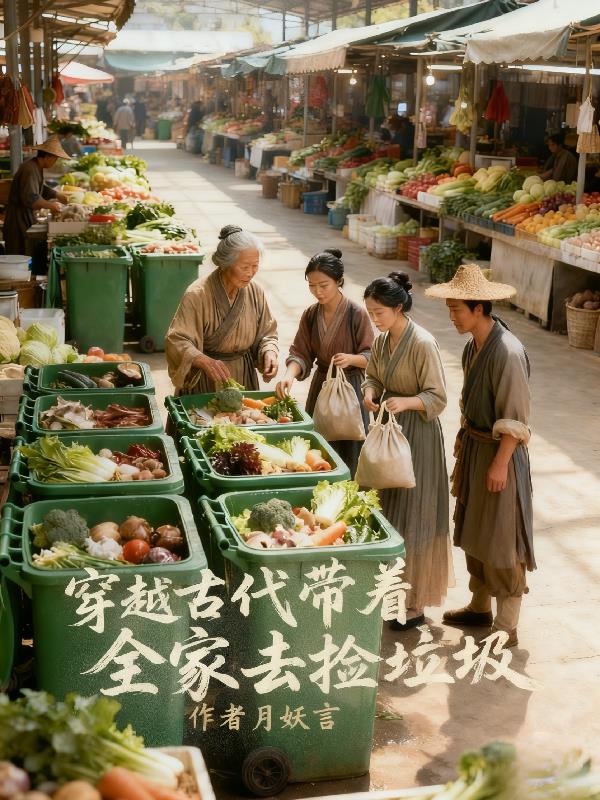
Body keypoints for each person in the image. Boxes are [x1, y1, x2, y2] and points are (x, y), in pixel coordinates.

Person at [425, 265, 535, 648]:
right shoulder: (475, 343)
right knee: (476, 528)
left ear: (479, 308)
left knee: (503, 537)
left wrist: (501, 462)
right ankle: (479, 606)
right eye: (450, 308)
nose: (451, 316)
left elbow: (516, 417)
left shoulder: (507, 352)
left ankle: (506, 626)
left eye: (456, 309)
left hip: (498, 455)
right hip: (476, 449)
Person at [362, 272, 453, 629]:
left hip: (418, 435)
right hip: (388, 429)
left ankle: (413, 603)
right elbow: (373, 375)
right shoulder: (383, 341)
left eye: (379, 312)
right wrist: (370, 393)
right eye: (370, 312)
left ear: (398, 308)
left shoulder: (424, 343)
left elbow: (438, 397)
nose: (374, 319)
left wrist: (407, 402)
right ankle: (390, 590)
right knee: (388, 508)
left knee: (416, 514)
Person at [275, 249, 374, 476]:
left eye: (324, 285)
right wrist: (289, 375)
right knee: (317, 453)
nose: (317, 292)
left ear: (339, 281)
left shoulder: (356, 314)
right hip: (321, 386)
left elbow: (372, 357)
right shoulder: (311, 314)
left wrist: (352, 359)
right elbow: (300, 352)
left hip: (351, 390)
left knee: (350, 453)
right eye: (312, 285)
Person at [165, 225, 278, 394]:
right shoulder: (197, 294)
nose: (251, 273)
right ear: (226, 264)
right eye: (245, 267)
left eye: (255, 266)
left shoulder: (255, 291)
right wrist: (202, 360)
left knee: (243, 418)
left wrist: (269, 351)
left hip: (243, 377)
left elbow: (267, 333)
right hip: (207, 379)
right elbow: (177, 340)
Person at [3, 135, 70, 255]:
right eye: (55, 159)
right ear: (48, 156)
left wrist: (57, 194)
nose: (55, 162)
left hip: (24, 217)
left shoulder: (36, 166)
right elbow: (31, 198)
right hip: (18, 221)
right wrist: (51, 205)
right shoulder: (30, 169)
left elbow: (41, 189)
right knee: (19, 255)